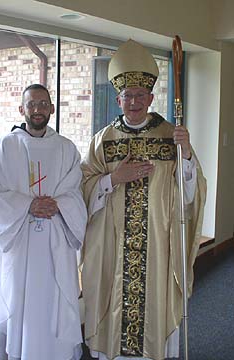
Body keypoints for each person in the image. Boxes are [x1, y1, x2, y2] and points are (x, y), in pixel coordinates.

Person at [81, 39, 206, 360]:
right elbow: (83, 187)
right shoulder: (103, 141)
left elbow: (191, 192)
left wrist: (187, 153)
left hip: (157, 244)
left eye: (140, 95)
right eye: (127, 96)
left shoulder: (171, 136)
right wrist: (113, 179)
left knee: (155, 308)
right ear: (117, 99)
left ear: (151, 98)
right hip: (113, 244)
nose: (133, 101)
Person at [0, 84, 87, 360]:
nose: (37, 110)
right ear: (22, 109)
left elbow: (75, 192)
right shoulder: (3, 148)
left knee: (52, 308)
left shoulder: (66, 148)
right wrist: (28, 204)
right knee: (22, 307)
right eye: (32, 105)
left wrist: (59, 204)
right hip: (20, 248)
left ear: (52, 108)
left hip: (55, 243)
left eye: (43, 104)